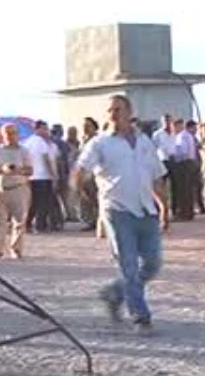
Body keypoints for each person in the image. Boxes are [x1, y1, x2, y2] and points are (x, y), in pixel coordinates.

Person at [73, 95, 170, 334]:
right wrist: (79, 187)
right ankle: (141, 317)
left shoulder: (144, 140)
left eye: (118, 109)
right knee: (128, 265)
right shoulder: (99, 143)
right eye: (110, 111)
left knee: (153, 264)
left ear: (129, 112)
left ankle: (114, 293)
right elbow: (81, 169)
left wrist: (164, 206)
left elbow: (156, 175)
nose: (113, 114)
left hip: (146, 209)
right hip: (117, 210)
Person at [0, 123, 34, 259]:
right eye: (7, 133)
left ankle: (16, 248)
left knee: (19, 221)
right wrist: (3, 169)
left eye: (13, 133)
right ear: (3, 135)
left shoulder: (24, 151)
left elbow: (30, 170)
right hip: (0, 190)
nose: (10, 136)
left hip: (18, 188)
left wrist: (18, 170)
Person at [23, 120, 59, 232]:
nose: (46, 131)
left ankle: (27, 223)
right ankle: (40, 225)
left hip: (32, 177)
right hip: (43, 176)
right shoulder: (41, 142)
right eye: (43, 129)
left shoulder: (27, 143)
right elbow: (46, 159)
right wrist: (53, 175)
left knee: (33, 202)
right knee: (43, 202)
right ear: (37, 129)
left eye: (46, 129)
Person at [76, 117, 101, 232]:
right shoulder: (83, 141)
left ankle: (100, 221)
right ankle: (90, 221)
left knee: (97, 199)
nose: (85, 128)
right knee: (86, 199)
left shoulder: (98, 140)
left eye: (88, 126)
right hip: (84, 175)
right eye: (84, 126)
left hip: (95, 174)